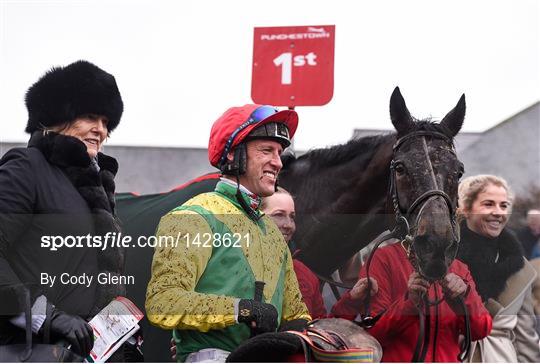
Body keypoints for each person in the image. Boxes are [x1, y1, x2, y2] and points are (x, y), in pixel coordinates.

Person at [146, 104, 311, 362]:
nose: (278, 162)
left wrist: (301, 328)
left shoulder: (271, 231)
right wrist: (241, 309)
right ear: (233, 155)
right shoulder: (193, 216)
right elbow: (163, 302)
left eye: (279, 152)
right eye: (266, 150)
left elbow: (295, 311)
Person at [0, 60, 130, 359]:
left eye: (107, 122)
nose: (100, 129)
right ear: (56, 117)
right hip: (28, 350)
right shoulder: (26, 168)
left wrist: (120, 334)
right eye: (89, 116)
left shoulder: (96, 187)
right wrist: (46, 315)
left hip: (83, 354)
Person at [332, 235, 492, 361]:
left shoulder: (459, 267)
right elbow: (373, 337)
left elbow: (481, 330)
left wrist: (463, 297)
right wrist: (410, 303)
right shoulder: (383, 259)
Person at [457, 174, 540, 362]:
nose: (498, 212)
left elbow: (525, 338)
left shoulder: (521, 269)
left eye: (503, 206)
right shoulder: (442, 260)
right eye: (488, 204)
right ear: (467, 209)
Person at [260, 187, 326, 319]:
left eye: (292, 217)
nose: (289, 225)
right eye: (279, 215)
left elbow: (322, 329)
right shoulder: (233, 266)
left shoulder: (304, 273)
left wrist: (352, 300)